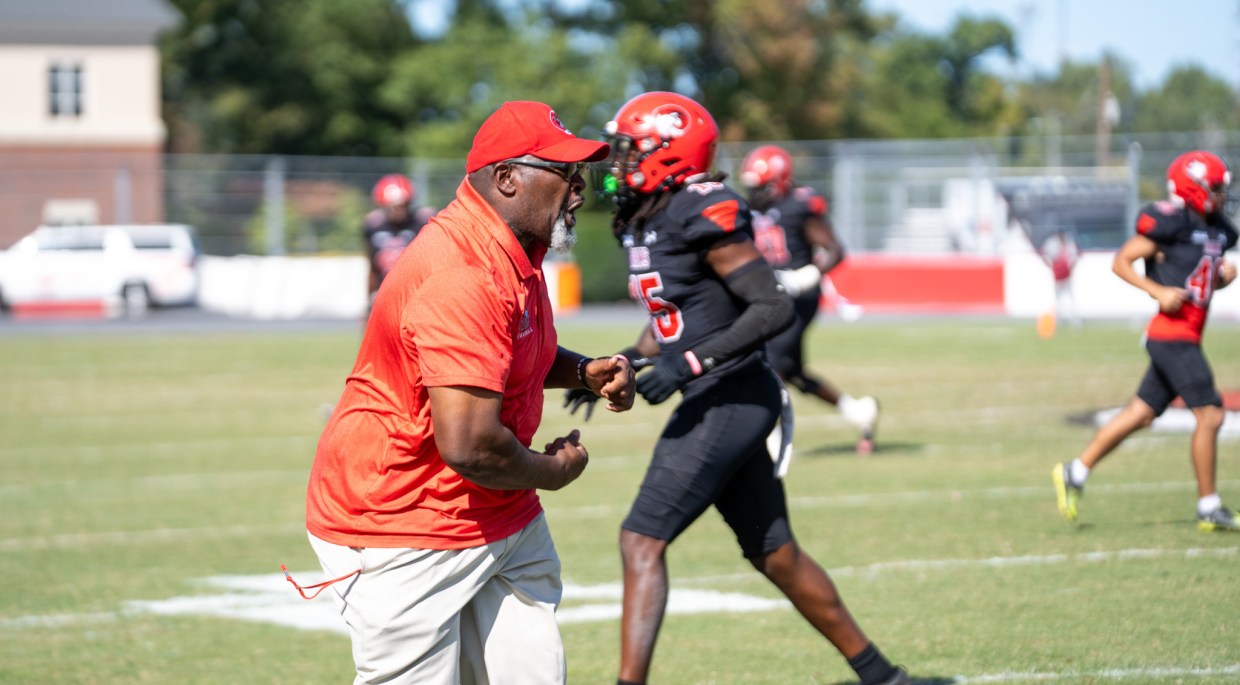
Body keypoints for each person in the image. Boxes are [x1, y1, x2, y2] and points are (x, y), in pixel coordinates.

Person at [301, 100, 637, 685]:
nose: (580, 191)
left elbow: (507, 356)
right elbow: (471, 444)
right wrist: (554, 471)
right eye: (566, 175)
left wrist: (584, 371)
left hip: (496, 509)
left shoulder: (513, 248)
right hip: (404, 521)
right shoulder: (463, 271)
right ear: (507, 179)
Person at [596, 91, 910, 685]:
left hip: (733, 392)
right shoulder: (648, 216)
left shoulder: (700, 208)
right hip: (719, 392)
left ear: (667, 152)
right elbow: (674, 312)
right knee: (776, 554)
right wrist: (621, 360)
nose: (618, 161)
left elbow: (770, 309)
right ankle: (883, 677)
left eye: (630, 148)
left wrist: (684, 366)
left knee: (640, 540)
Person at [1052, 150, 1239, 532]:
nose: (1221, 195)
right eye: (1215, 188)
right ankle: (1209, 506)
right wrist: (1156, 290)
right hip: (1172, 336)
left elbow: (1200, 275)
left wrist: (1221, 278)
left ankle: (1075, 472)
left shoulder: (1220, 229)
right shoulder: (1170, 225)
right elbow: (1121, 260)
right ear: (1195, 188)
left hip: (1186, 335)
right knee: (1211, 413)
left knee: (1141, 413)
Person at [739, 144, 881, 454]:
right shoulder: (752, 211)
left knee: (771, 362)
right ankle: (857, 411)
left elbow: (834, 250)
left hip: (798, 297)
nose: (755, 193)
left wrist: (804, 277)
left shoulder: (798, 206)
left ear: (779, 181)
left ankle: (770, 436)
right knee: (794, 372)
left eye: (760, 186)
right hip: (769, 296)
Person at [363, 173, 434, 304]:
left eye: (404, 205)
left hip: (417, 293)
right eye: (395, 207)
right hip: (386, 294)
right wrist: (368, 302)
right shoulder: (373, 225)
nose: (400, 211)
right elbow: (373, 268)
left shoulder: (423, 222)